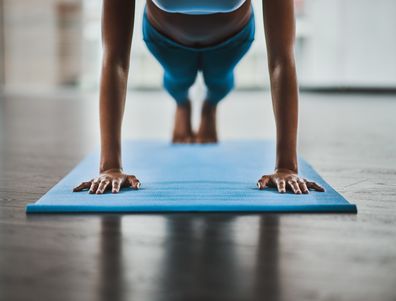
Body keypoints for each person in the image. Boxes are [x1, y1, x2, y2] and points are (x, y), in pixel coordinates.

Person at [73, 0, 325, 195]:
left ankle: (210, 104)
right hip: (166, 40)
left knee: (219, 81)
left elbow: (282, 60)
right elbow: (115, 59)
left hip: (231, 41)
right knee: (178, 80)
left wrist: (286, 167)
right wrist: (110, 167)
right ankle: (182, 102)